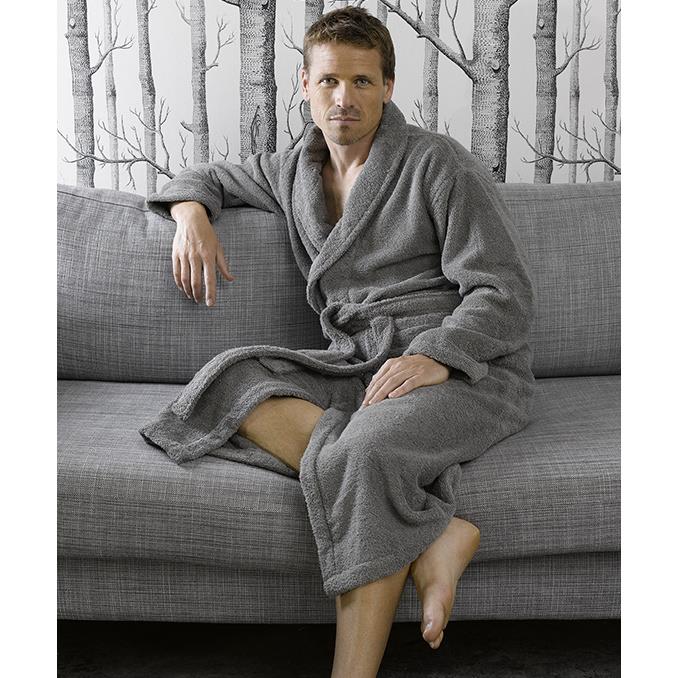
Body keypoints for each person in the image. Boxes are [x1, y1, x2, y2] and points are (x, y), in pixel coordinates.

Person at [139, 7, 536, 677]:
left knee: (365, 453)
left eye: (361, 81)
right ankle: (438, 529)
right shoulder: (296, 167)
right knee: (234, 379)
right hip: (360, 359)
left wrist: (435, 355)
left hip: (465, 366)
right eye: (328, 81)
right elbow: (207, 178)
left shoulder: (438, 164)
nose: (344, 98)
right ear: (305, 84)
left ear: (387, 86)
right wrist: (190, 215)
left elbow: (505, 292)